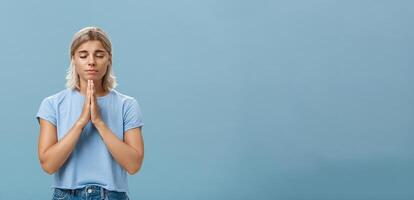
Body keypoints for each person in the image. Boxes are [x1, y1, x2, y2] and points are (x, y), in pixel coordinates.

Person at [36, 26, 145, 200]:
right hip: (66, 196)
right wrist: (81, 122)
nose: (91, 61)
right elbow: (49, 165)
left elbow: (133, 165)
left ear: (109, 59)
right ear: (73, 59)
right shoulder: (52, 104)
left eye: (99, 55)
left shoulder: (127, 105)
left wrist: (99, 122)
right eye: (83, 55)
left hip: (112, 196)